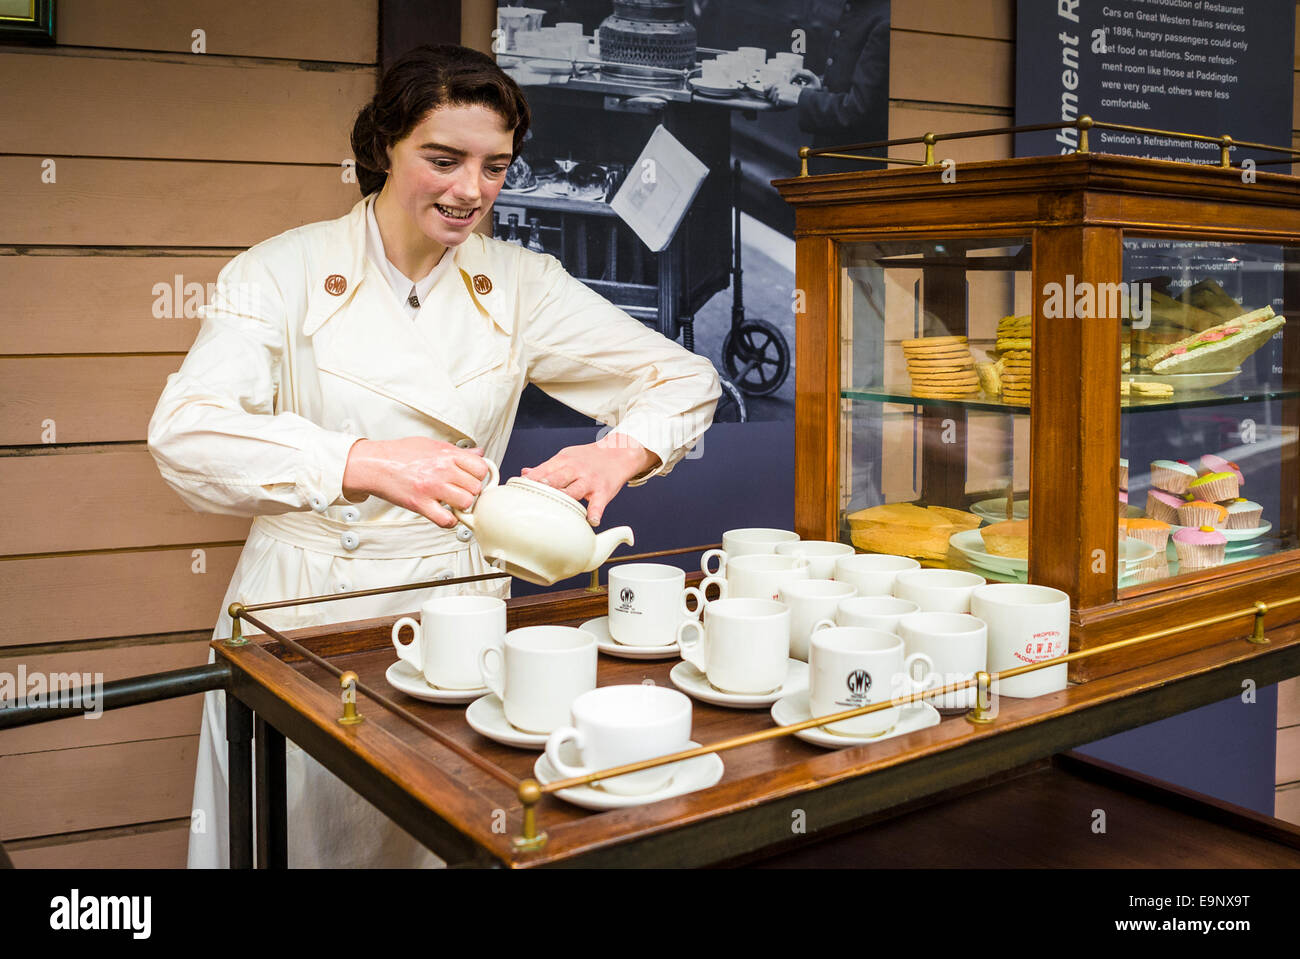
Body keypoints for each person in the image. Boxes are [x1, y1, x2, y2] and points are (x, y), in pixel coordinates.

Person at [148, 44, 720, 868]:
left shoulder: (520, 282)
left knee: (444, 838)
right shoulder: (282, 270)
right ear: (385, 147)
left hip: (459, 613)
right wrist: (363, 460)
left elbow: (683, 378)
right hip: (308, 617)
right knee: (301, 842)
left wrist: (620, 453)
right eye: (443, 160)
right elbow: (185, 434)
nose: (469, 192)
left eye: (495, 168)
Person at [763, 0, 889, 175]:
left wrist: (801, 96)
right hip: (834, 158)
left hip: (850, 169)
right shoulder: (863, 9)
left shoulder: (884, 20)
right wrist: (820, 85)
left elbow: (856, 110)